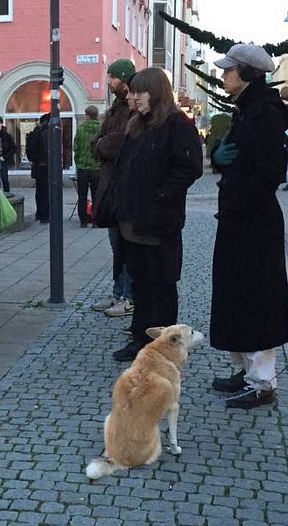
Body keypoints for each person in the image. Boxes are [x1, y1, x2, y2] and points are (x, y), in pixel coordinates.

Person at [209, 44, 288, 409]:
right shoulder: (245, 109)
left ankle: (262, 383)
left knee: (257, 299)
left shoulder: (267, 112)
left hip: (254, 222)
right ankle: (243, 371)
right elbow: (233, 156)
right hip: (239, 219)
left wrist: (237, 202)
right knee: (235, 296)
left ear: (246, 73)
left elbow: (268, 173)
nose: (223, 75)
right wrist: (216, 159)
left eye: (229, 70)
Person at [112, 67, 203, 362]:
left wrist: (161, 195)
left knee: (161, 285)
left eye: (139, 91)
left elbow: (189, 167)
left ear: (156, 92)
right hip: (133, 222)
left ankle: (165, 345)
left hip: (159, 223)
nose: (133, 97)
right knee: (140, 283)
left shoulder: (177, 124)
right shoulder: (139, 124)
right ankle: (140, 338)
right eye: (132, 91)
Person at [91, 59, 136, 317]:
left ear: (124, 79)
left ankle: (129, 296)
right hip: (109, 187)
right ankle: (118, 292)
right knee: (115, 246)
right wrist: (101, 144)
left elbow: (116, 144)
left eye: (112, 77)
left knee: (126, 246)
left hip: (122, 188)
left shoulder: (130, 109)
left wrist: (101, 145)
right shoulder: (115, 108)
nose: (109, 82)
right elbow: (99, 141)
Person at [73, 106, 101, 227]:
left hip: (83, 167)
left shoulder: (80, 129)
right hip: (97, 167)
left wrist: (78, 161)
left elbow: (76, 148)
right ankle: (95, 220)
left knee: (82, 195)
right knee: (96, 195)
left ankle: (83, 220)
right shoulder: (101, 128)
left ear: (87, 115)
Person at [26, 113, 50, 223]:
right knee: (46, 191)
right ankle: (45, 215)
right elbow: (46, 151)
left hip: (37, 165)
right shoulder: (46, 133)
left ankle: (39, 213)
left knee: (40, 191)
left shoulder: (36, 131)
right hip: (45, 165)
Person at [0, 117, 16, 193]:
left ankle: (7, 194)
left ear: (0, 124)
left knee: (4, 178)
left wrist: (4, 157)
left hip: (3, 160)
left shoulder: (7, 136)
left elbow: (13, 148)